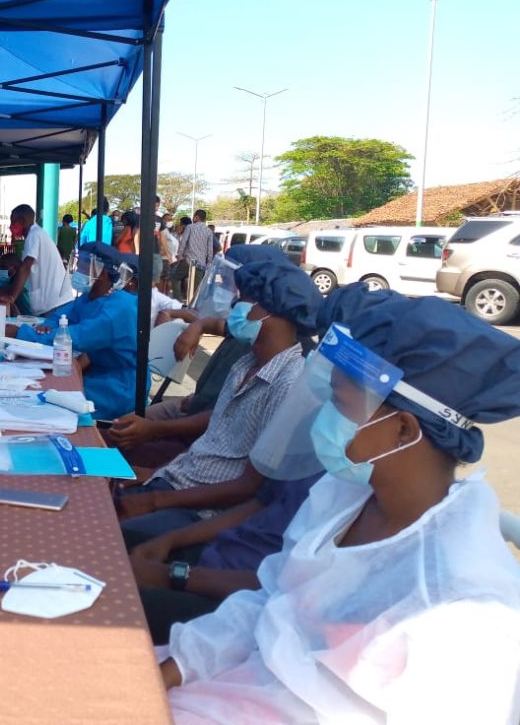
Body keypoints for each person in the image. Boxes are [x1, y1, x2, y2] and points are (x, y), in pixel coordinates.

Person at [161, 289, 520, 724]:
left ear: (403, 430)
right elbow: (270, 600)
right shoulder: (343, 496)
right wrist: (174, 668)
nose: (323, 418)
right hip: (235, 690)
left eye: (341, 404)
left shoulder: (464, 605)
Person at [114, 258, 322, 546]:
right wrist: (158, 476)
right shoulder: (246, 363)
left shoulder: (288, 383)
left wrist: (155, 500)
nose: (236, 305)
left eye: (246, 301)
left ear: (272, 312)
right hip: (179, 482)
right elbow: (213, 442)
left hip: (202, 512)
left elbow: (249, 487)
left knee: (105, 531)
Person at [108, 245, 291, 468]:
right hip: (195, 406)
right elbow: (219, 324)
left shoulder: (267, 345)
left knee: (123, 446)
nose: (226, 288)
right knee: (118, 429)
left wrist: (155, 430)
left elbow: (225, 415)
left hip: (207, 434)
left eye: (231, 281)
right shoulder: (249, 324)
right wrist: (198, 326)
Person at [130, 473, 320, 644]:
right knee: (119, 542)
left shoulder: (337, 517)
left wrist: (169, 575)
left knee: (123, 599)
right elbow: (258, 504)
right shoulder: (313, 464)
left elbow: (281, 585)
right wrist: (169, 541)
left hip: (235, 602)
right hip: (210, 554)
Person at [7, 242, 140, 420]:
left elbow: (77, 337)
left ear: (103, 273)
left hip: (118, 387)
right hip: (97, 374)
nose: (78, 270)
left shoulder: (119, 308)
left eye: (84, 266)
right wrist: (47, 327)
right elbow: (59, 317)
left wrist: (20, 334)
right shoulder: (90, 298)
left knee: (48, 399)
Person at [0, 204, 72, 317]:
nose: (11, 226)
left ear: (22, 221)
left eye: (13, 222)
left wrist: (11, 297)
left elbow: (25, 267)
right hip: (53, 302)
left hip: (55, 304)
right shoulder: (35, 235)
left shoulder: (34, 235)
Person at [176, 209, 214, 301]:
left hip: (188, 261)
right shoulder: (209, 231)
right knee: (196, 288)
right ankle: (192, 305)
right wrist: (209, 262)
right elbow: (210, 249)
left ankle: (177, 300)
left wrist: (179, 256)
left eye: (193, 217)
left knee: (175, 278)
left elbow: (183, 242)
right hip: (201, 263)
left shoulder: (190, 227)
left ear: (196, 217)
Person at [0, 252, 34, 316]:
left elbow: (8, 293)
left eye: (4, 267)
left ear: (14, 269)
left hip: (27, 314)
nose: (2, 271)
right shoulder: (3, 270)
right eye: (1, 268)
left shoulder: (23, 281)